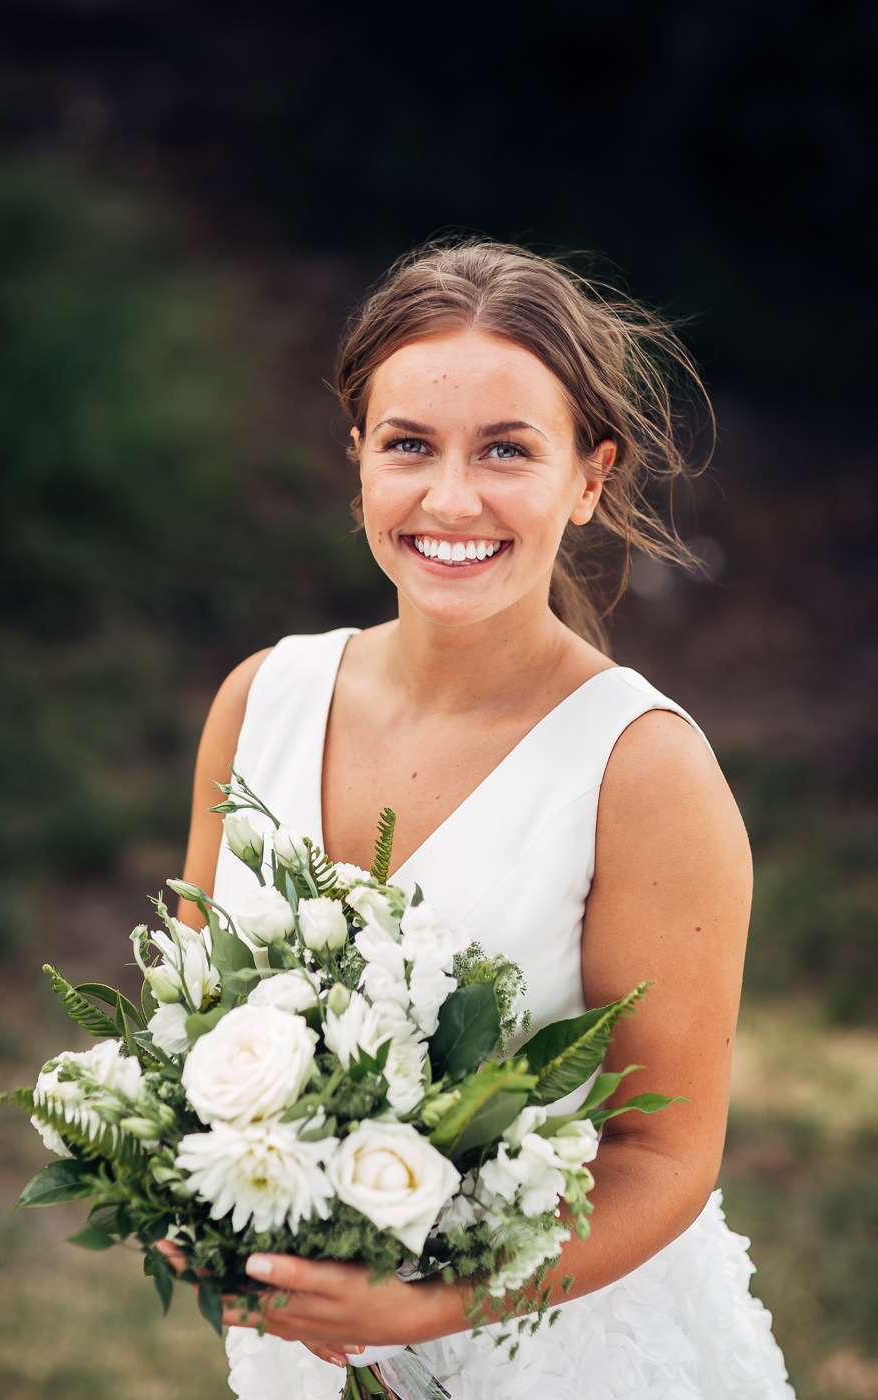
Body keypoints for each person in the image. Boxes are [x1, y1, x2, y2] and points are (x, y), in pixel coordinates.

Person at [177, 240, 795, 1398]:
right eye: (409, 443)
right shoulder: (259, 701)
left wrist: (429, 1304)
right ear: (358, 456)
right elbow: (197, 1037)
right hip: (303, 1354)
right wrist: (190, 1195)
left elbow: (666, 1152)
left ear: (590, 476)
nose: (451, 498)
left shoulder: (643, 768)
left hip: (560, 1354)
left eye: (508, 450)